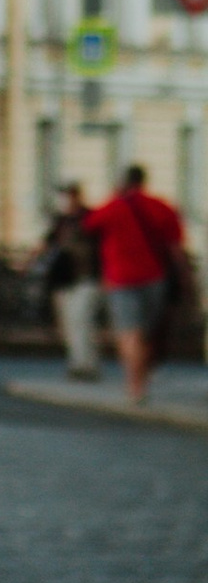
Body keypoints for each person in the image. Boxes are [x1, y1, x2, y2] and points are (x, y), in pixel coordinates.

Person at [85, 161, 192, 410]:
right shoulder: (161, 207)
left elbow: (88, 226)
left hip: (120, 278)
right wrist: (185, 278)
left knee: (128, 334)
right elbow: (176, 248)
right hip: (155, 278)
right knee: (146, 332)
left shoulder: (113, 207)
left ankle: (135, 386)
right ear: (144, 181)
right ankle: (141, 380)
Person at [38, 183, 100, 380]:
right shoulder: (61, 220)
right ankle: (77, 362)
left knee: (81, 319)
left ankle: (86, 365)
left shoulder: (90, 218)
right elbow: (46, 243)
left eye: (69, 196)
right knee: (69, 323)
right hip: (63, 280)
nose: (66, 201)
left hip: (86, 277)